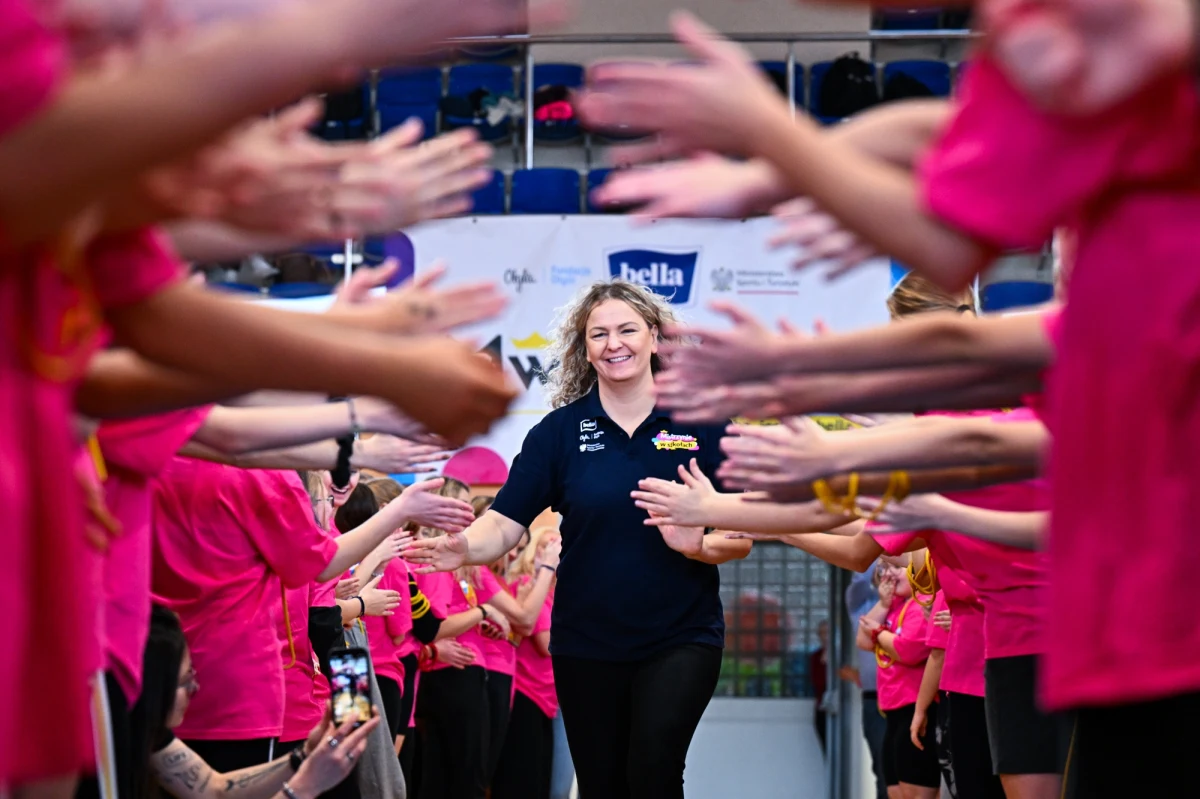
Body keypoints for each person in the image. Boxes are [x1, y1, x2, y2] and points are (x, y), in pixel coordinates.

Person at [405, 279, 752, 799]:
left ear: (654, 338)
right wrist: (465, 547)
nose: (614, 344)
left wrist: (697, 545)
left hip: (681, 634)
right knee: (601, 784)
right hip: (586, 641)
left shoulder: (703, 424)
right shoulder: (559, 433)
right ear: (584, 349)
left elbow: (740, 536)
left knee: (654, 771)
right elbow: (503, 522)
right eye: (599, 334)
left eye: (627, 330)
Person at [132, 605, 379, 799]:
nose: (194, 689)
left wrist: (305, 754)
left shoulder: (152, 735)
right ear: (154, 685)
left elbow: (213, 789)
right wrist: (307, 785)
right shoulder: (116, 749)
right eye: (185, 680)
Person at [857, 559, 938, 799]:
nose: (889, 575)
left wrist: (878, 632)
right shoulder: (896, 605)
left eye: (896, 567)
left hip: (917, 709)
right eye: (885, 569)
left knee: (916, 792)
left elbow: (908, 650)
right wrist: (883, 605)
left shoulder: (923, 603)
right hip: (892, 712)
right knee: (893, 790)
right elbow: (862, 640)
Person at [491, 528, 562, 799]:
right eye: (547, 545)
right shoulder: (529, 585)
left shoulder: (557, 593)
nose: (555, 551)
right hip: (526, 691)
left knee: (541, 781)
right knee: (521, 779)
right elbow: (547, 643)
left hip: (547, 698)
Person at [810, 620, 830, 756]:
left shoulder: (843, 656)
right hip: (823, 708)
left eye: (828, 633)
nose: (826, 637)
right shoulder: (816, 657)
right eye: (822, 633)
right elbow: (817, 682)